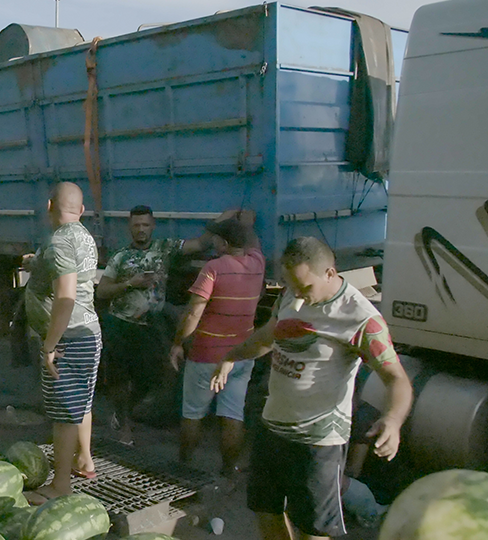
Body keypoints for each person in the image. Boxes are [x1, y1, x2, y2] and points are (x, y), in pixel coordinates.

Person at [211, 237, 412, 540]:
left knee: (312, 528)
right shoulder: (291, 295)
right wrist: (231, 356)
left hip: (317, 441)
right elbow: (268, 336)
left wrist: (393, 420)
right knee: (265, 509)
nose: (300, 299)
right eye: (293, 288)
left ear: (330, 273)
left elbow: (396, 378)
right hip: (273, 426)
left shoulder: (361, 319)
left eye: (306, 288)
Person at [96, 205, 222, 445]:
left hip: (150, 326)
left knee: (151, 378)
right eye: (136, 225)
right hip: (121, 324)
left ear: (153, 226)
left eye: (145, 225)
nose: (141, 230)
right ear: (130, 228)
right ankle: (124, 427)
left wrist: (221, 220)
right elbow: (102, 291)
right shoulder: (121, 256)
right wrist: (130, 283)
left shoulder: (165, 248)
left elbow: (200, 244)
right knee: (120, 379)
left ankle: (125, 412)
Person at [169, 216, 264, 478]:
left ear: (222, 243)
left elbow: (192, 314)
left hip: (207, 356)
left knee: (193, 413)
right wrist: (243, 220)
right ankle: (227, 471)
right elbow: (252, 241)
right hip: (242, 354)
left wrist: (178, 344)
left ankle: (184, 467)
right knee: (233, 414)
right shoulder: (258, 262)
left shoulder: (213, 268)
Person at [24, 182, 101, 502]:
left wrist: (49, 346)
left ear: (48, 205)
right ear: (81, 211)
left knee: (63, 415)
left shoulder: (59, 243)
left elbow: (66, 296)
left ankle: (60, 486)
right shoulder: (83, 236)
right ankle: (85, 460)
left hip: (68, 337)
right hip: (89, 332)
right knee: (81, 404)